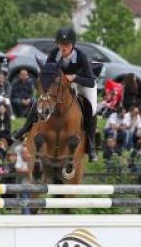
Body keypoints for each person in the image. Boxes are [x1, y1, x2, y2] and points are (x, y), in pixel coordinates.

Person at [12, 28, 99, 161]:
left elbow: (91, 82)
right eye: (61, 44)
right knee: (43, 99)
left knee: (91, 108)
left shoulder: (81, 57)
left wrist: (74, 77)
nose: (63, 48)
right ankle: (25, 129)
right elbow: (47, 73)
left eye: (67, 45)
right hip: (61, 84)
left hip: (83, 83)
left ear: (72, 45)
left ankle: (91, 146)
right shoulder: (54, 54)